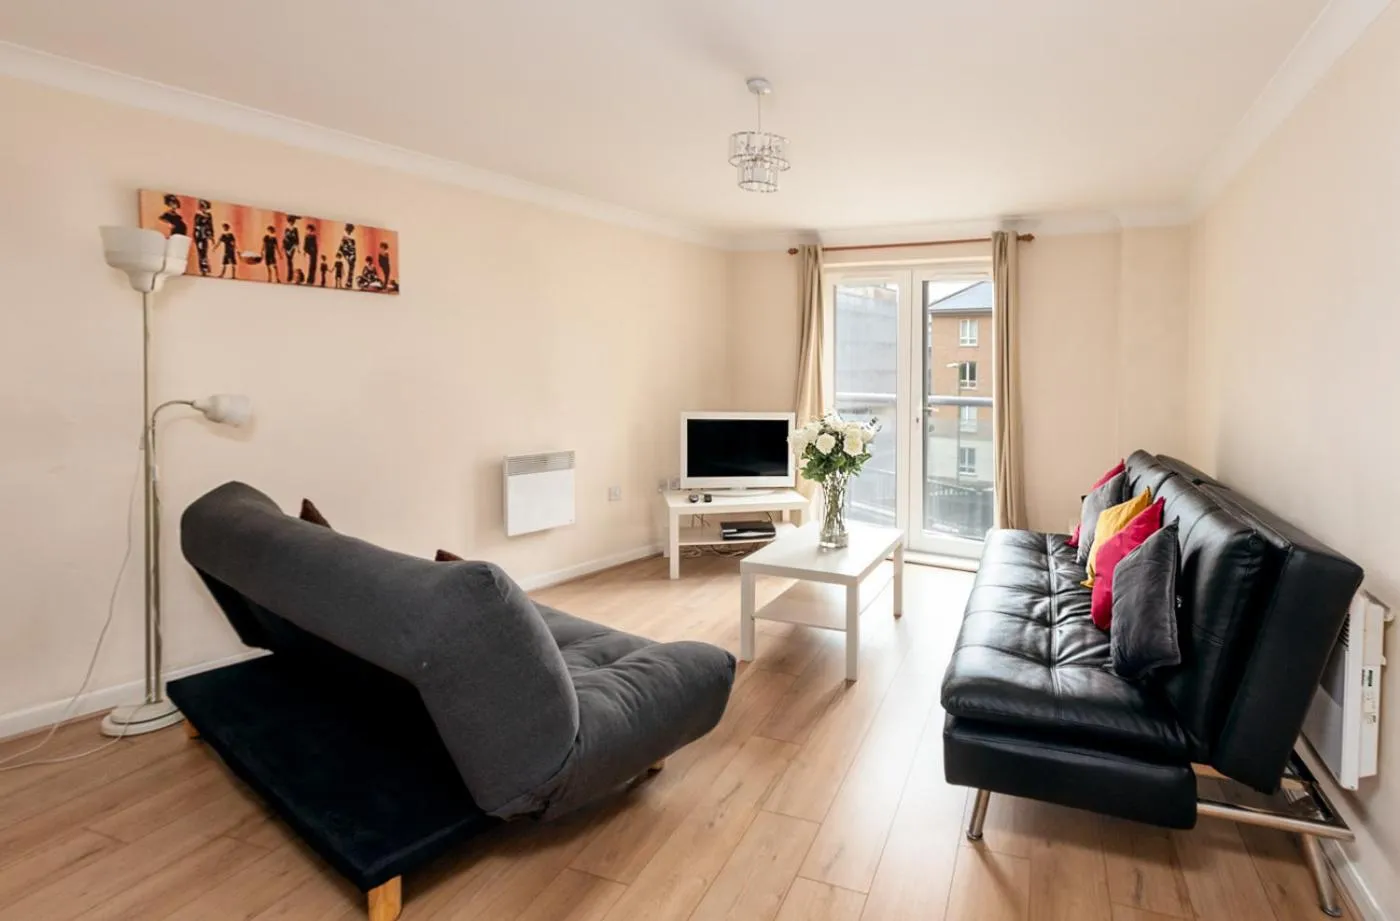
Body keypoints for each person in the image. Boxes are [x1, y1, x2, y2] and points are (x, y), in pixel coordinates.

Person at [192, 200, 214, 276]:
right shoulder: (198, 216)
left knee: (205, 251)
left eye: (206, 207)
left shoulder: (209, 215)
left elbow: (211, 226)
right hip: (199, 236)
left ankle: (205, 268)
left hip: (205, 236)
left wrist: (211, 236)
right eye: (203, 207)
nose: (204, 209)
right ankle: (203, 269)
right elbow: (196, 226)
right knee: (201, 253)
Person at [337, 224, 357, 289]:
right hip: (346, 255)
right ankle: (346, 283)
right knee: (346, 269)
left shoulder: (352, 238)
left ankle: (348, 283)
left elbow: (353, 249)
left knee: (350, 269)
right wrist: (340, 252)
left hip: (350, 256)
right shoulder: (345, 237)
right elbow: (341, 246)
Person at [282, 216, 300, 282]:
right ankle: (290, 275)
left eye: (292, 222)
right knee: (288, 261)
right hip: (287, 246)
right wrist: (283, 247)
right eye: (290, 222)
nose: (291, 223)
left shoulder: (295, 229)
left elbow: (297, 239)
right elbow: (284, 238)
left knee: (290, 260)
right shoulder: (286, 229)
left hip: (292, 247)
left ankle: (290, 276)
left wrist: (298, 248)